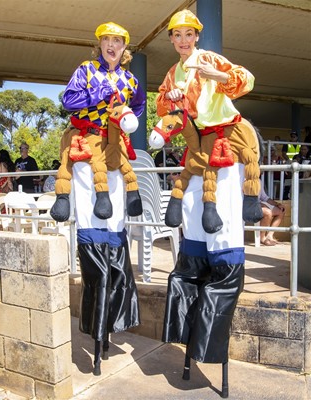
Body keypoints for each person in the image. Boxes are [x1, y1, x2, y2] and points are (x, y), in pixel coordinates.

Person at [156, 9, 260, 370]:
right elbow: (164, 109)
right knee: (193, 238)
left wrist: (221, 75)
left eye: (189, 34)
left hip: (225, 148)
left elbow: (245, 80)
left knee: (224, 233)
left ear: (196, 37)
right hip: (197, 151)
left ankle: (207, 344)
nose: (183, 40)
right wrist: (168, 110)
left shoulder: (208, 59)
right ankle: (184, 332)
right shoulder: (172, 74)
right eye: (177, 35)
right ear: (171, 39)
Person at [58, 21, 145, 375]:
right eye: (107, 40)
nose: (112, 46)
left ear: (125, 48)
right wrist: (99, 99)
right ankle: (95, 330)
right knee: (93, 235)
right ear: (99, 44)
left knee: (116, 237)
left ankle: (111, 325)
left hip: (114, 152)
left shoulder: (130, 80)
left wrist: (122, 123)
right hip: (84, 154)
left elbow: (138, 107)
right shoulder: (87, 71)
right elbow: (68, 100)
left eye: (118, 41)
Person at [259, 179, 285, 246]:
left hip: (258, 206)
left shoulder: (259, 180)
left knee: (281, 211)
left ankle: (269, 235)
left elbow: (264, 197)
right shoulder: (243, 180)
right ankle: (262, 238)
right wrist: (259, 204)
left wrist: (277, 204)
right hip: (250, 207)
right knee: (268, 212)